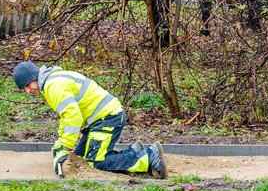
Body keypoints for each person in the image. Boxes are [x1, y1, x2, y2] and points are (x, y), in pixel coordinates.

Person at [12, 61, 167, 178]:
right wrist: (61, 140)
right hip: (102, 119)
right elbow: (66, 115)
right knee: (80, 157)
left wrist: (65, 146)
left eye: (27, 85)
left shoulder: (53, 86)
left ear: (33, 77)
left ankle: (148, 157)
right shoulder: (51, 82)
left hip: (108, 118)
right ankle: (133, 151)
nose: (27, 91)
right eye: (24, 89)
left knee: (95, 162)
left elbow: (74, 116)